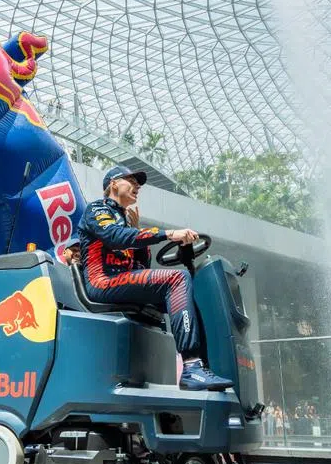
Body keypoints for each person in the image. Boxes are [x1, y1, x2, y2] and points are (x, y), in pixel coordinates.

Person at [78, 165, 232, 392]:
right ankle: (191, 367)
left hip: (121, 281)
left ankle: (204, 365)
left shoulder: (125, 221)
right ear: (113, 184)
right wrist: (167, 233)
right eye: (131, 180)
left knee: (191, 291)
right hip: (102, 282)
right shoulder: (97, 210)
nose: (137, 186)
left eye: (138, 183)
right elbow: (115, 237)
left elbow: (141, 267)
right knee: (177, 279)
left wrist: (137, 229)